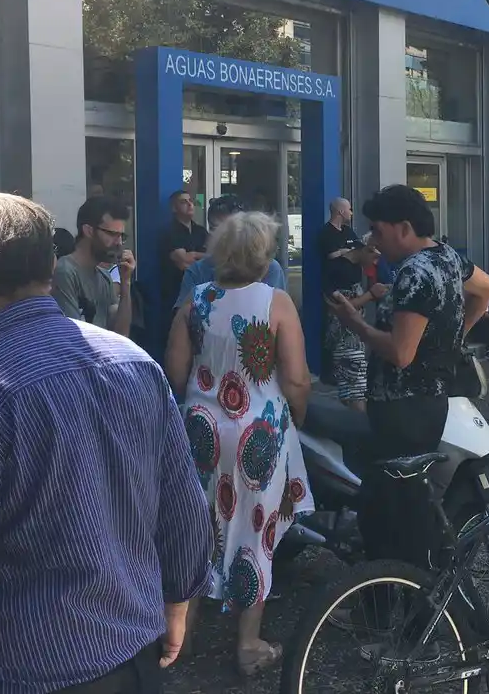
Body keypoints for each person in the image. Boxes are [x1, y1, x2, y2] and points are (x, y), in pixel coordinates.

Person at [0, 193, 213, 694]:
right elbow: (182, 505)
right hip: (132, 659)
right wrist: (178, 597)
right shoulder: (133, 363)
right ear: (50, 268)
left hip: (19, 674)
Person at [164, 211, 312, 678]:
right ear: (264, 254)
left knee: (199, 528)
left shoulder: (195, 300)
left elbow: (174, 371)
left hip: (202, 430)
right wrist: (296, 421)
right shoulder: (276, 302)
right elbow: (296, 379)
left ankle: (181, 636)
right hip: (258, 433)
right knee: (255, 531)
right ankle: (248, 644)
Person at [327, 185, 489, 567]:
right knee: (411, 505)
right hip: (433, 401)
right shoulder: (448, 257)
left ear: (404, 228)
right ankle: (410, 594)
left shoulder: (414, 273)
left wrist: (355, 323)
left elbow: (401, 354)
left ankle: (387, 599)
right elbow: (487, 290)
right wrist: (451, 338)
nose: (373, 240)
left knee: (387, 514)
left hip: (400, 407)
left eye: (379, 231)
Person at [173, 195, 287, 311]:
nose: (220, 236)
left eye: (229, 230)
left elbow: (280, 317)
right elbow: (182, 319)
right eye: (214, 228)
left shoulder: (270, 267)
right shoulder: (198, 270)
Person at [51, 196, 138, 336]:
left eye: (121, 236)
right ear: (89, 231)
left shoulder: (104, 277)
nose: (119, 243)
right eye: (112, 234)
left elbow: (121, 336)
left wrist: (126, 284)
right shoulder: (65, 271)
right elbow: (72, 337)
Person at [319, 198, 374, 406]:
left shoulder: (350, 234)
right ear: (340, 211)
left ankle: (350, 398)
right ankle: (353, 400)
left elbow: (360, 249)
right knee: (349, 355)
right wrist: (370, 295)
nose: (352, 212)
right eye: (349, 209)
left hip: (354, 294)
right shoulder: (326, 234)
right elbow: (332, 255)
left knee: (355, 349)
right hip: (342, 297)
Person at [160, 190, 208, 326]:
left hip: (202, 292)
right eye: (183, 202)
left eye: (191, 201)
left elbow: (214, 257)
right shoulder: (170, 231)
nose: (190, 204)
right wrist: (200, 257)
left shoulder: (201, 231)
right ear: (174, 208)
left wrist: (193, 255)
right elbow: (183, 261)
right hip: (176, 292)